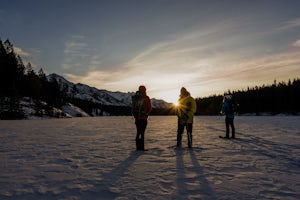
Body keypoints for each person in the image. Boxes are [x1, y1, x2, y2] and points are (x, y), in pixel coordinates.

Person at [132, 85, 152, 151]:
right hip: (143, 118)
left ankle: (138, 147)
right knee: (142, 133)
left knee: (138, 132)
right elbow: (150, 108)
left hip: (137, 119)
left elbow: (133, 108)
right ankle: (142, 148)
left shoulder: (136, 97)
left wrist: (136, 116)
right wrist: (146, 114)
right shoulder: (146, 98)